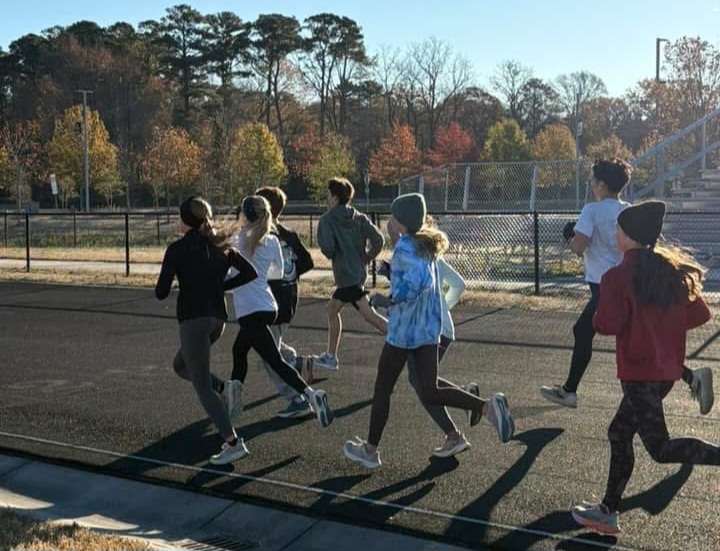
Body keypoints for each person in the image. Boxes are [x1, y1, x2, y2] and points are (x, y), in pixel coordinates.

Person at [572, 200, 720, 534]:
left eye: (617, 229)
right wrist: (662, 323)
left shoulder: (616, 277)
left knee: (660, 448)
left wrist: (596, 318)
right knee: (619, 432)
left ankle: (608, 511)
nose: (614, 233)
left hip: (639, 375)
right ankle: (607, 510)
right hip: (664, 372)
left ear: (628, 236)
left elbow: (607, 324)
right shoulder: (667, 270)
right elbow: (700, 315)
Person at [342, 193, 515, 469]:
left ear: (399, 221)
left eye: (391, 216)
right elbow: (423, 279)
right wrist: (393, 277)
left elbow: (416, 283)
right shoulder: (425, 246)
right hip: (428, 330)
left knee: (383, 388)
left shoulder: (405, 248)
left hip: (404, 331)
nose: (388, 221)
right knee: (429, 389)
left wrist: (388, 299)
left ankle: (371, 450)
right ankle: (487, 407)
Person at [539, 158, 713, 413]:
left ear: (601, 184)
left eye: (592, 180)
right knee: (632, 337)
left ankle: (569, 391)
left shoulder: (591, 210)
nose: (590, 184)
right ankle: (691, 377)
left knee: (584, 331)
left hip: (606, 286)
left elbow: (578, 246)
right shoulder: (627, 210)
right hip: (632, 280)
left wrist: (569, 236)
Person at [155, 196, 258, 466]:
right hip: (218, 320)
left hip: (194, 320)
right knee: (181, 365)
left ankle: (233, 442)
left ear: (185, 221)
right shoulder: (219, 245)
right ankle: (224, 387)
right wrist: (221, 287)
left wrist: (177, 278)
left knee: (201, 386)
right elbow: (249, 273)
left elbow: (161, 292)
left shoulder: (176, 250)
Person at [226, 195, 333, 428]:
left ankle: (309, 395)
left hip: (250, 308)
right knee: (239, 350)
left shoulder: (238, 239)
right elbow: (278, 272)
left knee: (273, 359)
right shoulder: (272, 240)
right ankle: (232, 399)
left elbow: (228, 271)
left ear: (245, 215)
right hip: (268, 304)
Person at [380, 215, 476, 458]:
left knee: (423, 386)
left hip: (433, 330)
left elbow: (458, 284)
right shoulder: (416, 252)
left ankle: (457, 430)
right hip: (431, 328)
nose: (389, 227)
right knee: (422, 383)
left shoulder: (420, 254)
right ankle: (465, 399)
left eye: (392, 222)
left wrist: (442, 307)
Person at [313, 177, 387, 371]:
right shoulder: (359, 217)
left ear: (335, 197)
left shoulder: (327, 219)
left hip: (345, 277)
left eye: (329, 194)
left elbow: (328, 248)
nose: (327, 198)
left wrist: (332, 250)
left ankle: (402, 339)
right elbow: (378, 239)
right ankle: (331, 355)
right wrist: (367, 257)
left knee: (361, 314)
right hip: (357, 273)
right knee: (344, 312)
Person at [255, 186, 315, 419]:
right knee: (273, 345)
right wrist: (291, 274)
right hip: (289, 298)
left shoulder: (263, 238)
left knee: (268, 355)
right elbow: (308, 261)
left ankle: (296, 397)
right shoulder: (288, 234)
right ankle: (297, 362)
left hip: (271, 302)